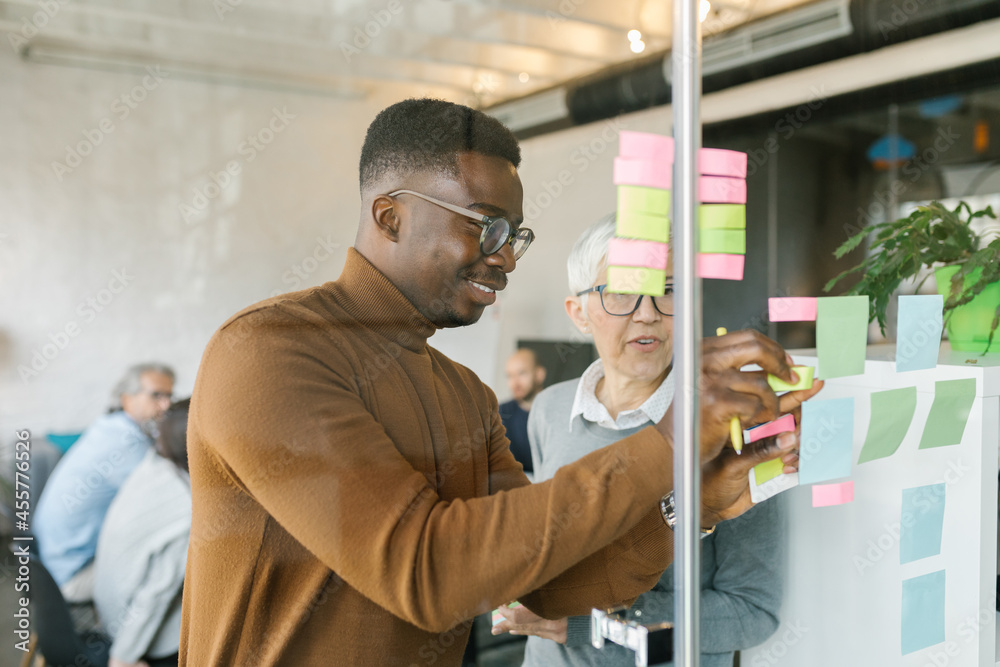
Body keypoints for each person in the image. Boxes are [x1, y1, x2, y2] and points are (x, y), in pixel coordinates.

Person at [179, 98, 821, 666]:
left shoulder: (463, 392)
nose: (507, 256)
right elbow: (426, 571)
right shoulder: (271, 351)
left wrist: (695, 505)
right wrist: (668, 443)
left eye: (516, 235)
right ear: (390, 216)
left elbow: (544, 583)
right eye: (485, 225)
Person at [493, 217, 803, 666]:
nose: (648, 312)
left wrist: (595, 620)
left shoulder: (734, 428)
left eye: (669, 289)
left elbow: (753, 612)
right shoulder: (550, 409)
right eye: (620, 291)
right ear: (578, 313)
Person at [35, 363, 175, 602]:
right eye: (156, 395)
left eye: (169, 396)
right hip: (72, 575)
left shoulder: (110, 428)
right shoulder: (125, 444)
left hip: (49, 563)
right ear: (127, 399)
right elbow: (166, 500)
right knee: (175, 561)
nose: (167, 405)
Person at [94, 399, 192, 667]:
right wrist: (123, 658)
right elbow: (156, 593)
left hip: (108, 611)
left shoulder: (153, 466)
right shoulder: (187, 508)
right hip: (143, 640)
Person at [499, 348, 547, 477]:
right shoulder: (500, 414)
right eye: (510, 375)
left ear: (539, 374)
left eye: (521, 373)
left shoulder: (557, 411)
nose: (515, 382)